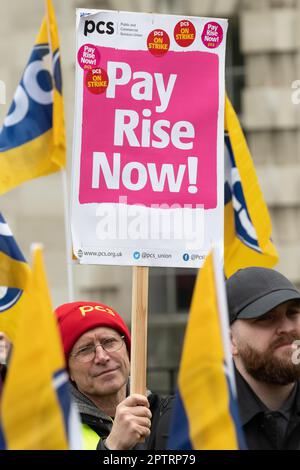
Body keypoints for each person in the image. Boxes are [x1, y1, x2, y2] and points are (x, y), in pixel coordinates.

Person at [55, 301, 173, 450]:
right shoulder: (54, 434)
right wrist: (112, 447)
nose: (102, 357)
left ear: (128, 351)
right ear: (68, 371)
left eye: (109, 342)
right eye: (85, 349)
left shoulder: (169, 415)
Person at [227, 267, 300, 450]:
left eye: (292, 312)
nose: (287, 328)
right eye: (266, 317)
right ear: (230, 341)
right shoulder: (190, 424)